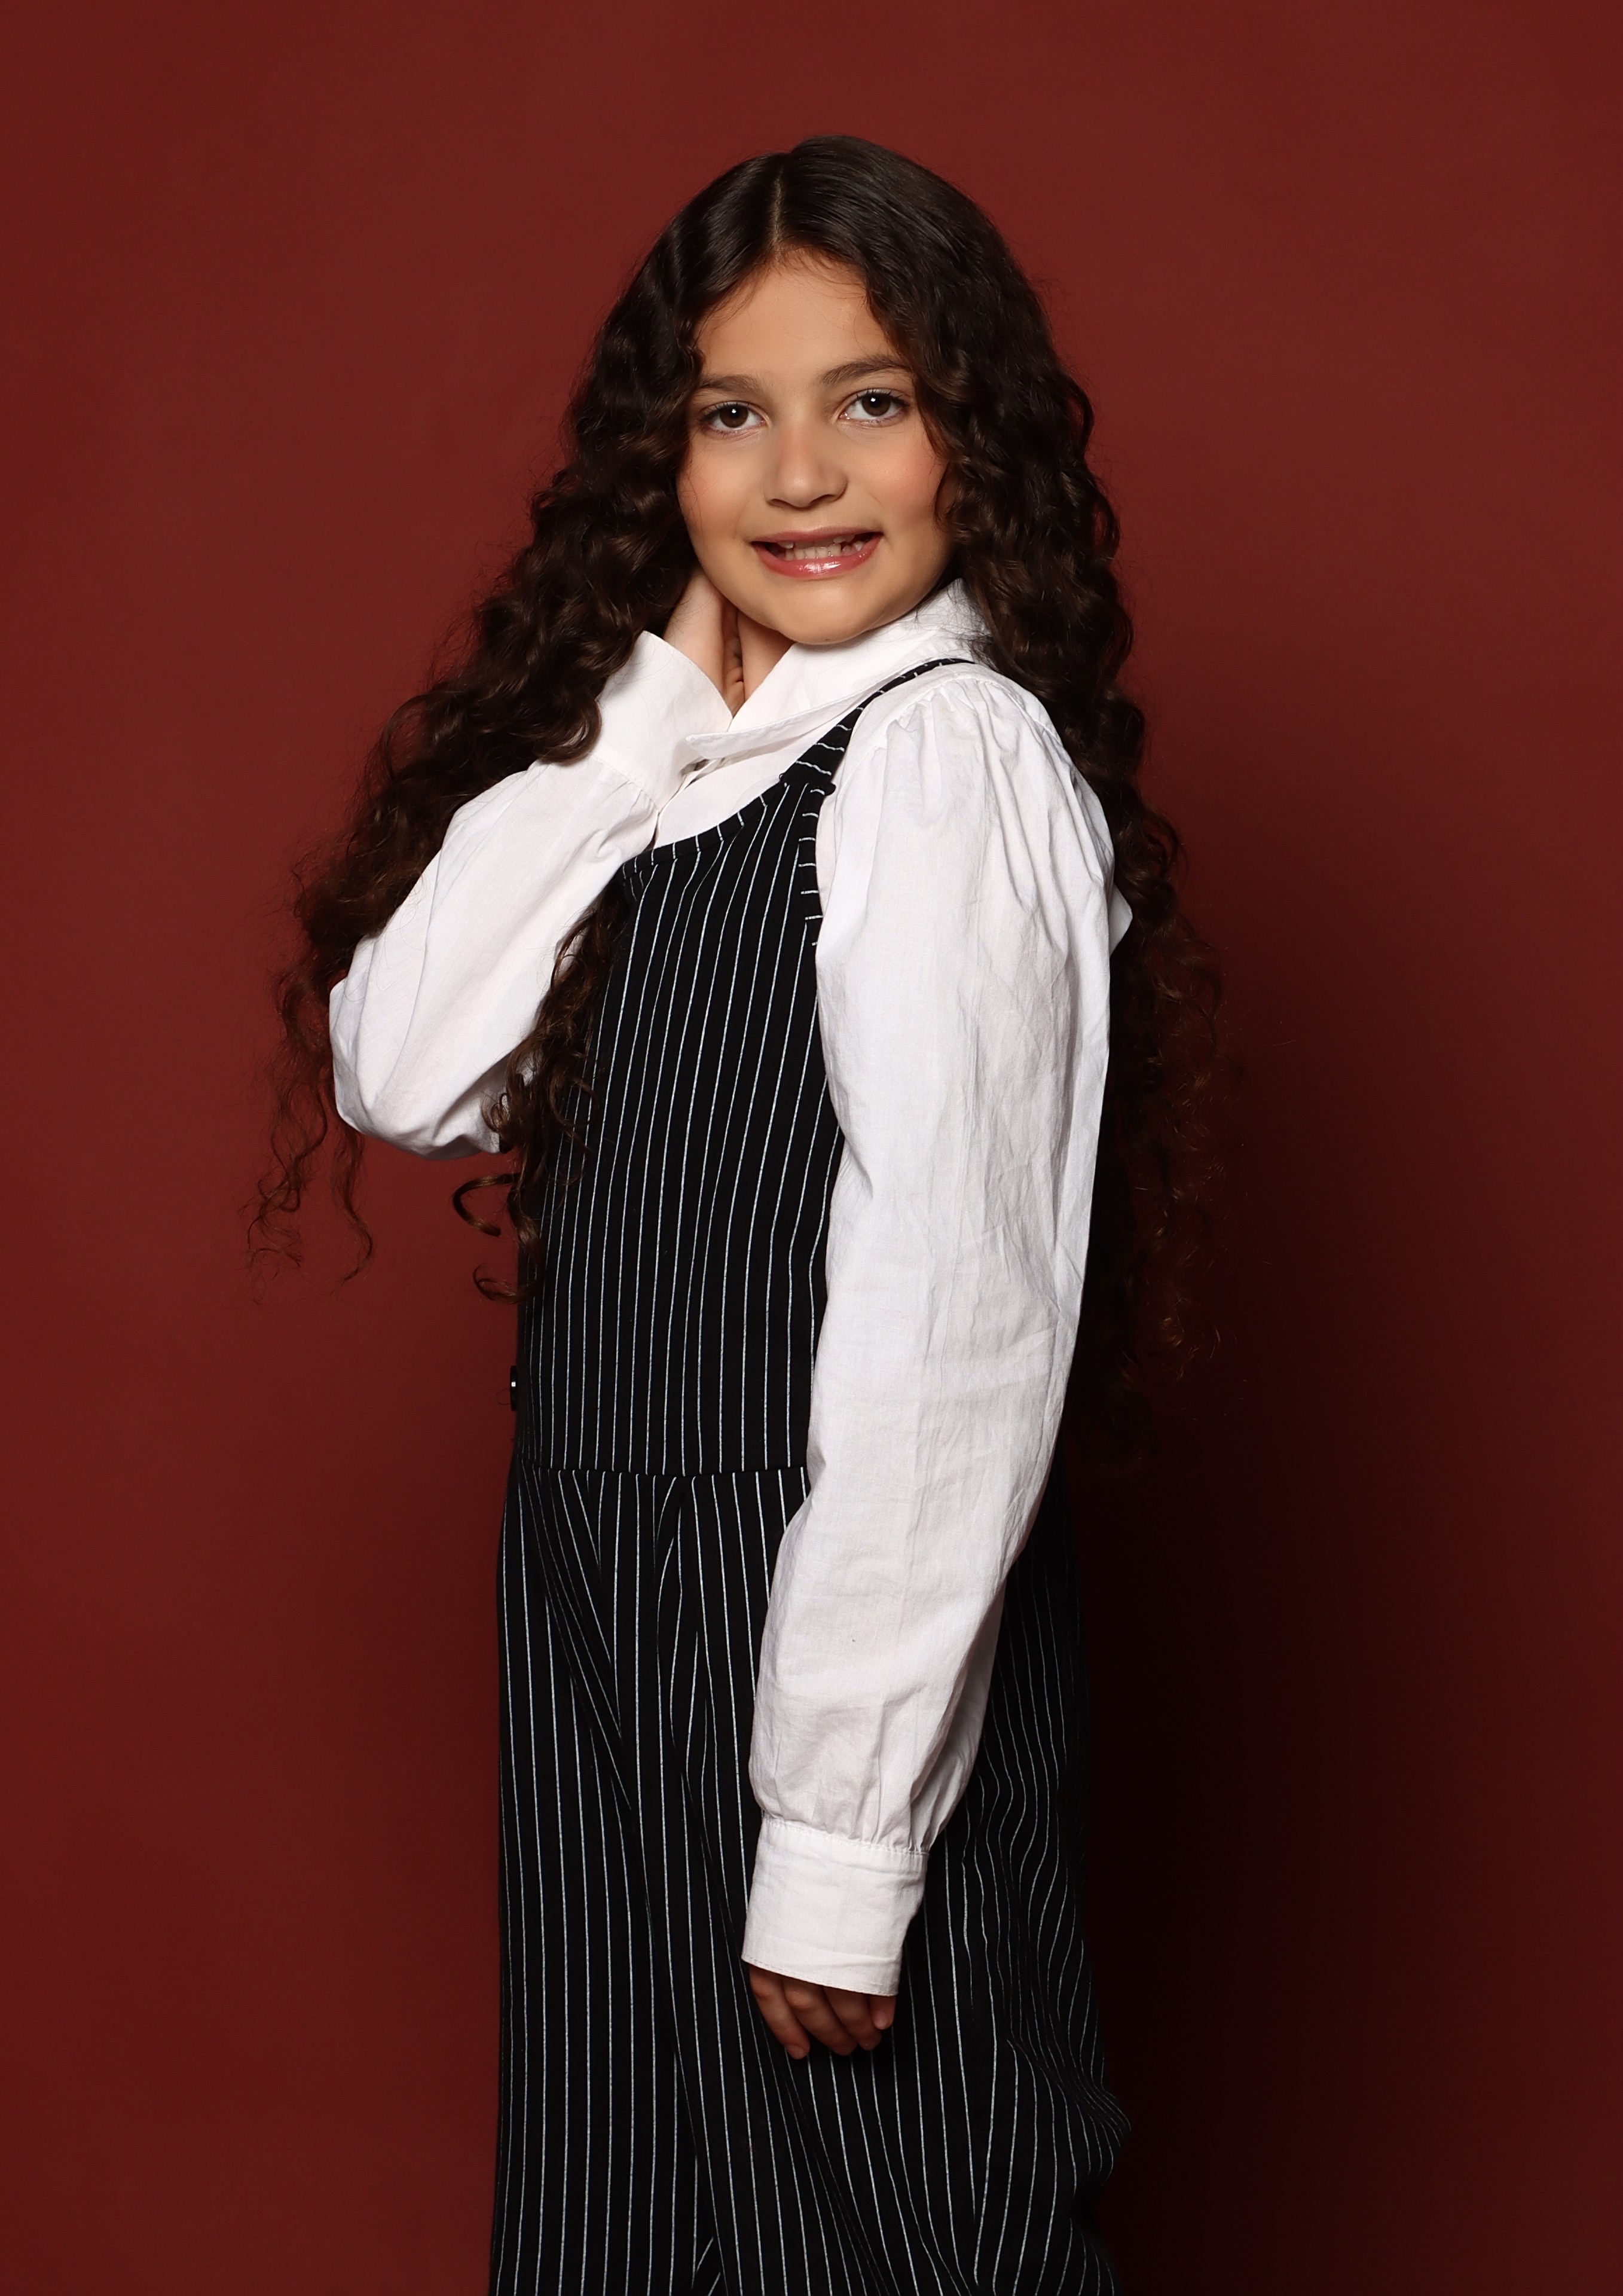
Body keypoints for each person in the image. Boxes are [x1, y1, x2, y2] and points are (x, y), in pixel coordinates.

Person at [258, 135, 1217, 2296]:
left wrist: (843, 1837)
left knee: (892, 2233)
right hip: (604, 1597)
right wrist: (638, 731)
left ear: (974, 434)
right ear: (662, 459)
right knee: (627, 2232)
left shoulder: (945, 757)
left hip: (812, 1620)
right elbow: (398, 1064)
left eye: (869, 400)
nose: (798, 474)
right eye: (729, 412)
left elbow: (955, 1320)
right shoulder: (706, 766)